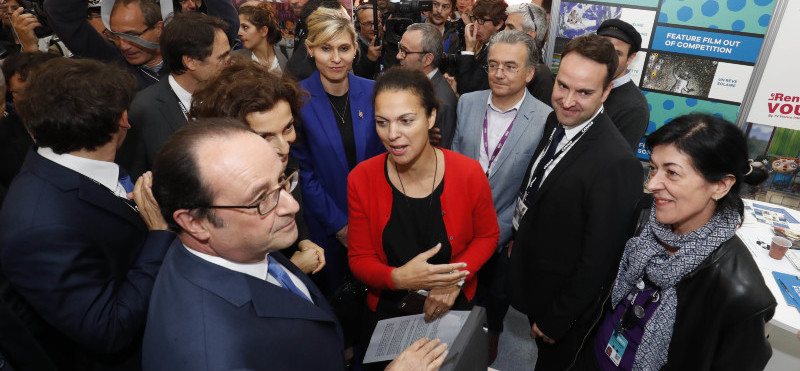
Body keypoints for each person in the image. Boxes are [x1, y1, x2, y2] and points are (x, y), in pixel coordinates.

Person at [144, 118, 448, 371]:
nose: (290, 205)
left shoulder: (242, 243)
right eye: (261, 198)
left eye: (282, 180)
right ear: (195, 223)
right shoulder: (213, 356)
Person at [0, 57, 174, 369]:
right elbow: (108, 329)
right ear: (122, 120)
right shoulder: (40, 228)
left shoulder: (67, 165)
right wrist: (159, 235)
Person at [574, 113, 775, 370]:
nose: (652, 184)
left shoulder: (740, 293)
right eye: (654, 168)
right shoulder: (645, 217)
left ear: (721, 186)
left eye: (672, 173)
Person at [348, 67, 499, 368]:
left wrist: (453, 282)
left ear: (430, 117)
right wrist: (398, 277)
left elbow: (487, 236)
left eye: (406, 121)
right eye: (382, 122)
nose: (392, 135)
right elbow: (359, 258)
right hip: (390, 313)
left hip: (450, 306)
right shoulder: (362, 178)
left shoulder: (468, 173)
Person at [508, 34, 642, 370]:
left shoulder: (617, 162)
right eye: (562, 86)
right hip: (536, 276)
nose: (567, 100)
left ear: (606, 92)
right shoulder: (558, 120)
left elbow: (599, 260)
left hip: (562, 306)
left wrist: (558, 319)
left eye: (584, 92)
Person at [451, 29, 551, 364]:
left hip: (506, 235)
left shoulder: (544, 119)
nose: (499, 73)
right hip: (457, 229)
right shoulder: (467, 103)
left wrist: (497, 232)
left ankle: (485, 359)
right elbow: (451, 164)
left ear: (530, 73)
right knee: (456, 307)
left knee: (493, 311)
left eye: (510, 66)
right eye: (493, 65)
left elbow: (534, 188)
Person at [190, 59, 326, 276]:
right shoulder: (220, 203)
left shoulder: (287, 163)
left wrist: (303, 241)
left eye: (288, 127)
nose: (283, 147)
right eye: (265, 137)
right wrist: (292, 271)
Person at [291, 6, 384, 296]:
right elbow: (303, 174)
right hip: (325, 226)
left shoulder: (374, 92)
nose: (335, 58)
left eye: (344, 48)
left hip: (376, 219)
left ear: (356, 48)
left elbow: (386, 157)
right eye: (325, 48)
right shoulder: (298, 100)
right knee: (336, 306)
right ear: (310, 49)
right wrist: (341, 226)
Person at [117, 12, 230, 180]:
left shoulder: (231, 95)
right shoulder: (143, 110)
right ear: (191, 61)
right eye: (223, 56)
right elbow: (135, 178)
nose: (230, 62)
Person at [44, 0, 237, 90]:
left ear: (160, 27)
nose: (123, 46)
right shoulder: (110, 63)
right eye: (115, 36)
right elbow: (60, 12)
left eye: (133, 36)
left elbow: (227, 23)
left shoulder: (190, 58)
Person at [397, 23, 458, 149]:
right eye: (399, 48)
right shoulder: (414, 84)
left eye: (405, 51)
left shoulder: (441, 103)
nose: (398, 56)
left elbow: (440, 157)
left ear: (427, 59)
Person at [597, 18, 649, 150]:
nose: (607, 57)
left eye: (616, 53)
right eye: (602, 48)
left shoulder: (635, 108)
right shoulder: (583, 86)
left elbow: (612, 162)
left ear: (630, 58)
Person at [504, 3, 553, 106]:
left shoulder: (542, 77)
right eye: (505, 26)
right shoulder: (500, 65)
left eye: (511, 28)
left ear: (530, 36)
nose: (504, 32)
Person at [234, 2, 288, 73]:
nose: (239, 33)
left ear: (263, 31)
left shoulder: (287, 57)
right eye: (238, 27)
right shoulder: (236, 60)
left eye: (245, 27)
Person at [352, 3, 383, 80]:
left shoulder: (390, 40)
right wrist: (369, 60)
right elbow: (357, 79)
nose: (373, 28)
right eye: (368, 24)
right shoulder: (354, 48)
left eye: (377, 22)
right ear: (358, 25)